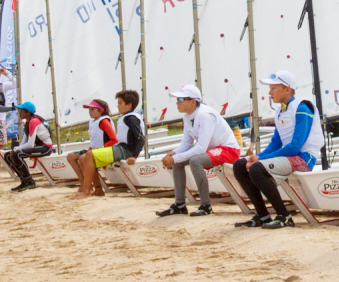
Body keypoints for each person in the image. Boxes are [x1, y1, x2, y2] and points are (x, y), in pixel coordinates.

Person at [232, 70, 324, 229]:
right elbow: (276, 142)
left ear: (287, 89)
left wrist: (260, 159)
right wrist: (257, 156)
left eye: (273, 88)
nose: (270, 93)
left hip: (304, 158)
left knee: (257, 169)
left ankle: (285, 216)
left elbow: (295, 146)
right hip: (289, 157)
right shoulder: (280, 110)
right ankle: (263, 215)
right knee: (240, 165)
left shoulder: (303, 107)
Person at [155, 84, 241, 218]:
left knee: (195, 161)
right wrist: (174, 153)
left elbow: (201, 148)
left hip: (229, 150)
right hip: (213, 150)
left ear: (193, 101)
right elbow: (186, 143)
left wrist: (176, 158)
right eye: (177, 99)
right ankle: (180, 205)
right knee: (178, 161)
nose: (177, 102)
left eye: (181, 99)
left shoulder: (205, 115)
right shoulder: (187, 116)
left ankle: (206, 206)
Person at [74, 90, 144, 199]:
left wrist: (134, 156)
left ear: (129, 105)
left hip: (126, 150)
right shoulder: (126, 117)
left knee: (90, 155)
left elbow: (140, 138)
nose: (117, 106)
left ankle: (86, 191)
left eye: (120, 103)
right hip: (121, 147)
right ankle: (98, 190)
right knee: (84, 157)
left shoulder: (131, 118)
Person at [66, 99, 118, 195]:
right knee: (70, 156)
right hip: (93, 149)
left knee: (83, 158)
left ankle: (95, 188)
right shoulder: (92, 121)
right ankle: (84, 184)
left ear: (101, 110)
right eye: (89, 110)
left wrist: (101, 148)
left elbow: (114, 139)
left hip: (104, 150)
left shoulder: (104, 121)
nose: (90, 112)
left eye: (93, 109)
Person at [3, 102, 54, 192]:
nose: (19, 113)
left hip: (46, 148)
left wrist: (16, 150)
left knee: (18, 154)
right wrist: (15, 150)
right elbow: (24, 142)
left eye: (21, 111)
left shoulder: (34, 121)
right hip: (38, 147)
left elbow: (30, 144)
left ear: (27, 112)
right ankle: (24, 181)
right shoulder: (28, 122)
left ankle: (29, 181)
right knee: (7, 156)